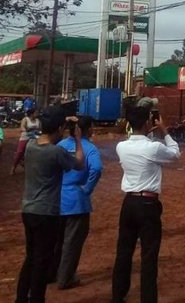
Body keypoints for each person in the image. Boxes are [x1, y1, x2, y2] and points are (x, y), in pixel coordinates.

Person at [112, 106, 181, 303]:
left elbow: (141, 144)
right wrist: (165, 130)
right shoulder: (153, 147)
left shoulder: (121, 147)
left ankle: (118, 296)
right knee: (149, 257)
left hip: (129, 203)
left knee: (123, 252)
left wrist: (146, 131)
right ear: (147, 123)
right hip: (148, 204)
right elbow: (175, 154)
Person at [16, 107, 85, 303]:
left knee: (30, 258)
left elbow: (49, 128)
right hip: (47, 212)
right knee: (42, 261)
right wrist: (78, 139)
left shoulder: (30, 145)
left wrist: (63, 120)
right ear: (59, 129)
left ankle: (21, 298)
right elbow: (79, 163)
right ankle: (37, 298)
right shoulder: (56, 152)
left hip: (28, 209)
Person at [52, 116, 103, 290]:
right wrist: (87, 188)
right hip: (77, 200)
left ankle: (52, 273)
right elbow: (96, 168)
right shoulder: (90, 149)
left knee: (56, 240)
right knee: (72, 242)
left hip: (57, 199)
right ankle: (65, 278)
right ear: (86, 130)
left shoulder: (60, 146)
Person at [11, 108, 41, 175]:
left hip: (35, 137)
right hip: (25, 136)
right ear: (31, 114)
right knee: (20, 152)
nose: (37, 114)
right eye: (36, 112)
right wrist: (27, 130)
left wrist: (37, 132)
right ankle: (13, 167)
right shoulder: (25, 119)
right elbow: (22, 127)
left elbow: (40, 129)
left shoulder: (38, 120)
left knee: (37, 152)